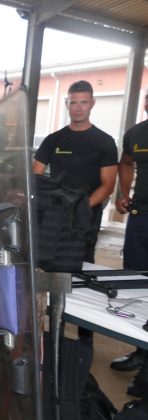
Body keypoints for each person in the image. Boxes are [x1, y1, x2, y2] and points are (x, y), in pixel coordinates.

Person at [32, 80, 118, 263]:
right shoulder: (53, 140)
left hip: (86, 214)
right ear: (67, 104)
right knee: (48, 260)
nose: (78, 108)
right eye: (73, 102)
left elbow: (108, 185)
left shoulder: (105, 141)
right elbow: (35, 175)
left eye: (84, 102)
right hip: (54, 213)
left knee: (80, 263)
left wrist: (82, 207)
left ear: (92, 103)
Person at [110, 90, 148, 398]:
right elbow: (126, 162)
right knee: (136, 282)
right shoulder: (136, 134)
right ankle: (141, 351)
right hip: (140, 218)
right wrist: (125, 194)